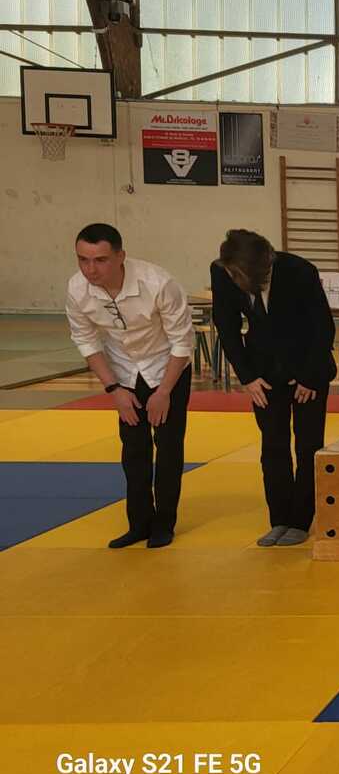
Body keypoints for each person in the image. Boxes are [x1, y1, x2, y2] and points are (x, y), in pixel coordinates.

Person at [65, 224, 194, 549]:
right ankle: (139, 523)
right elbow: (85, 340)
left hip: (167, 367)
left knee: (168, 447)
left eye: (100, 260)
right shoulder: (77, 289)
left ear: (121, 256)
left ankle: (164, 523)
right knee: (133, 449)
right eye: (83, 260)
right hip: (122, 370)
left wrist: (163, 392)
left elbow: (182, 342)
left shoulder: (158, 283)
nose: (90, 269)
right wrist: (114, 390)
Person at [210, 229, 336, 548]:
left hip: (308, 369)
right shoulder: (222, 271)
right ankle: (279, 518)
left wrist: (309, 377)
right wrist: (247, 377)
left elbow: (322, 327)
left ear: (264, 264)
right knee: (273, 445)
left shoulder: (299, 271)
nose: (237, 280)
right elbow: (226, 326)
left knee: (308, 445)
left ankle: (301, 520)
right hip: (263, 373)